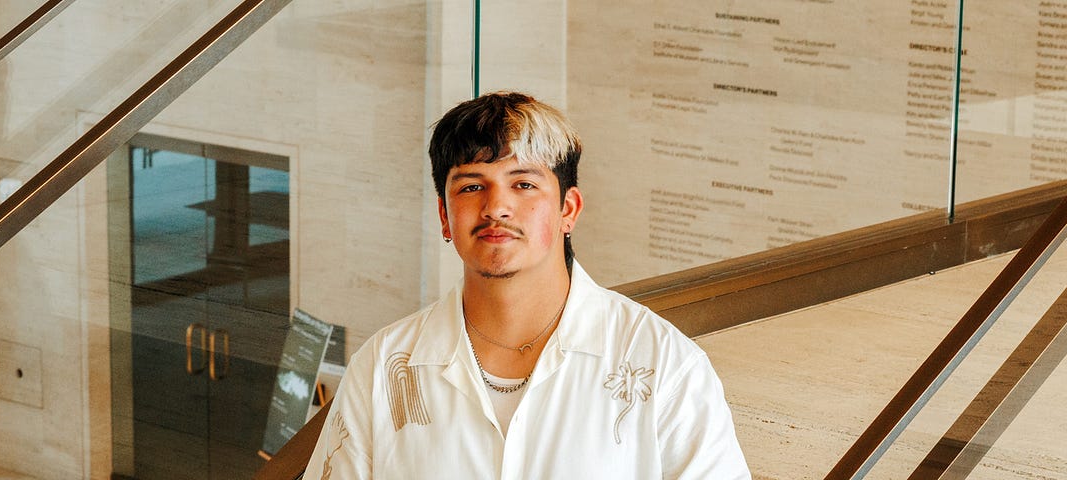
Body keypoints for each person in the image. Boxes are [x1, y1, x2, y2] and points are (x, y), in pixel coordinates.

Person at [304, 92, 749, 479]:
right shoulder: (382, 369)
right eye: (472, 186)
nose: (496, 207)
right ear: (445, 216)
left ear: (567, 210)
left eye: (523, 184)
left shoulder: (665, 365)